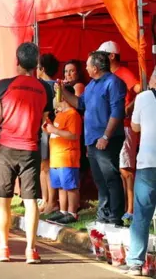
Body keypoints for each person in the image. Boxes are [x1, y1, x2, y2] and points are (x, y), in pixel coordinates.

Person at [0, 42, 53, 264]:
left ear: (17, 62)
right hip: (31, 149)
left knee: (4, 201)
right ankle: (31, 251)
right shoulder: (46, 89)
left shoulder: (5, 84)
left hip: (6, 148)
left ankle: (4, 248)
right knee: (31, 201)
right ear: (36, 64)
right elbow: (46, 117)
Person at [60, 50, 126, 226]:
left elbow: (117, 112)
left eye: (88, 65)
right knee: (100, 179)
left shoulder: (114, 83)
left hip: (108, 138)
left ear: (96, 68)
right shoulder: (90, 86)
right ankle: (103, 214)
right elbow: (79, 104)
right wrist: (62, 91)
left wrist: (106, 136)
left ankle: (115, 216)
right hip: (92, 140)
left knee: (110, 176)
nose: (86, 69)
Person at [99, 40, 142, 225]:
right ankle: (124, 207)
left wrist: (129, 108)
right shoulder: (107, 76)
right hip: (111, 127)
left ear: (111, 56)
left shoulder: (124, 73)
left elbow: (141, 90)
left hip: (125, 125)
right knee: (116, 168)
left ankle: (131, 209)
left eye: (102, 55)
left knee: (126, 169)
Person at [119, 68, 156, 275]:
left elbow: (134, 127)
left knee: (142, 214)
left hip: (148, 163)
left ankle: (135, 263)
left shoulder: (143, 98)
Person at [45, 85, 83, 224]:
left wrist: (54, 129)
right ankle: (63, 210)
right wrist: (48, 127)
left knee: (70, 186)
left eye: (58, 93)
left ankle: (72, 212)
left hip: (67, 157)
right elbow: (55, 132)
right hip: (56, 157)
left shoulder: (73, 114)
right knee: (61, 186)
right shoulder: (60, 114)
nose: (56, 97)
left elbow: (73, 135)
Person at [36, 53, 60, 214]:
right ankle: (45, 200)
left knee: (47, 166)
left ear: (42, 69)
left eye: (37, 67)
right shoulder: (42, 85)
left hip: (48, 129)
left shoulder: (51, 86)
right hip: (41, 129)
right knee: (42, 166)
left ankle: (52, 201)